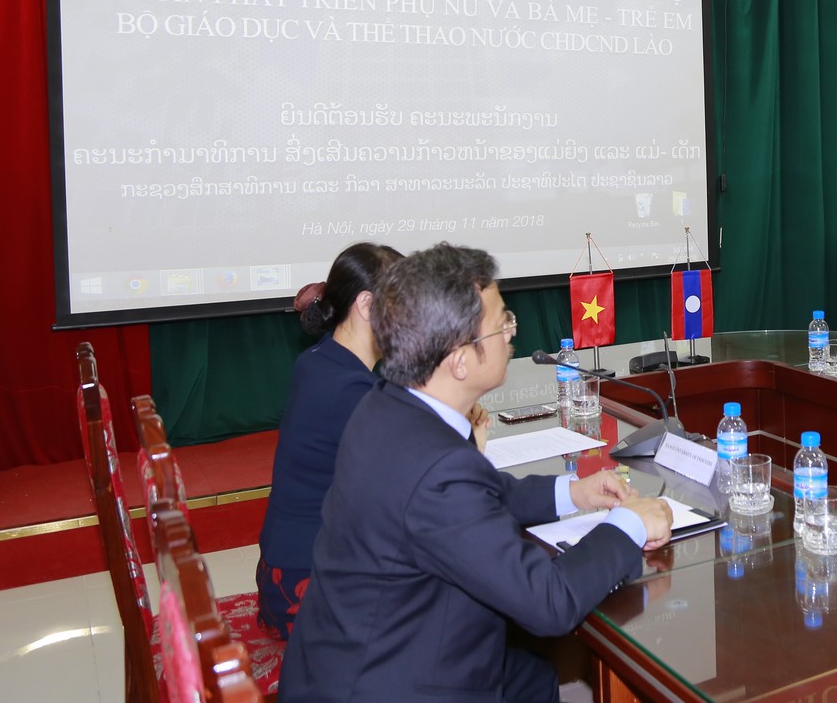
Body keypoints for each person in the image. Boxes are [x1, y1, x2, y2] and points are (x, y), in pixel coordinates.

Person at [280, 243, 673, 703]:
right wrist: (630, 523)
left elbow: (477, 495)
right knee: (540, 648)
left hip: (357, 652)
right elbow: (548, 602)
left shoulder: (387, 405)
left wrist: (572, 493)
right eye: (502, 323)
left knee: (532, 675)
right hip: (390, 680)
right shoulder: (436, 467)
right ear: (460, 359)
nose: (511, 334)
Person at [255, 241, 404, 639]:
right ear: (368, 305)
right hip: (309, 594)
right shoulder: (350, 391)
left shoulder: (319, 360)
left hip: (284, 571)